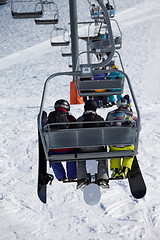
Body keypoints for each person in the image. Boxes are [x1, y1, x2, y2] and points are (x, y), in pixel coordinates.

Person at [76, 99, 109, 189]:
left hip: (83, 148)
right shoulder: (100, 119)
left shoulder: (80, 119)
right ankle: (102, 178)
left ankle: (82, 179)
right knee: (102, 160)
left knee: (81, 161)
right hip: (98, 147)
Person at [106, 94, 137, 179]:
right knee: (130, 155)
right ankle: (125, 169)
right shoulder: (133, 115)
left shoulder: (111, 114)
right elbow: (137, 128)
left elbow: (106, 127)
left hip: (114, 144)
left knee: (114, 153)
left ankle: (115, 170)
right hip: (128, 144)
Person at [47, 99, 77, 181]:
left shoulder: (50, 118)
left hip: (55, 148)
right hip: (69, 147)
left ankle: (61, 176)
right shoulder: (70, 118)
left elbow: (46, 130)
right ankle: (72, 176)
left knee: (53, 159)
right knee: (72, 158)